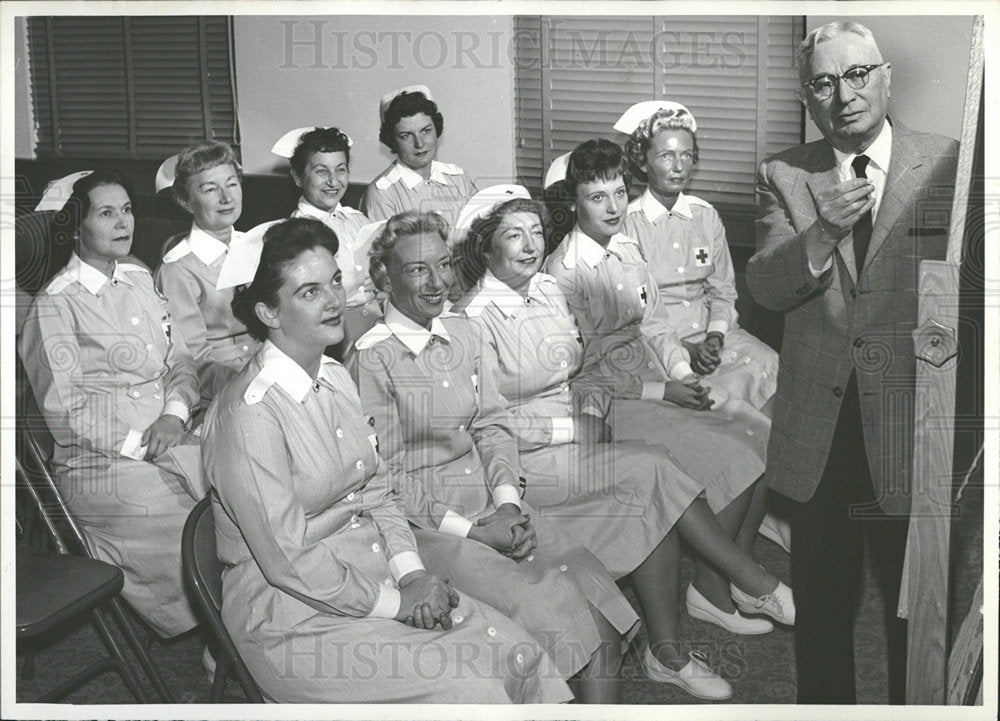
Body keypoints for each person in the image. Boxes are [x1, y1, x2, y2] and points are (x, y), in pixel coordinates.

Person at [201, 217, 570, 704]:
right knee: (474, 693)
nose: (334, 300)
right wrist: (397, 602)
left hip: (371, 576)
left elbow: (377, 490)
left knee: (521, 655)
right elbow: (288, 562)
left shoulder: (332, 376)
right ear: (269, 311)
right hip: (293, 619)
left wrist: (413, 572)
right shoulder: (248, 415)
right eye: (309, 292)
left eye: (334, 281)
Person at [455, 188, 796, 698]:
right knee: (651, 468)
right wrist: (573, 429)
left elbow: (581, 372)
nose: (529, 245)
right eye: (512, 235)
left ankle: (669, 651)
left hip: (576, 436)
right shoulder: (472, 320)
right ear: (485, 248)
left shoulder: (546, 289)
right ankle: (752, 586)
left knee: (651, 479)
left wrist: (590, 414)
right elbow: (485, 423)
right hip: (520, 462)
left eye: (534, 232)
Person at [349, 211, 650, 704]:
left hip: (493, 502)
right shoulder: (371, 358)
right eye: (417, 269)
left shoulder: (462, 332)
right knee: (546, 604)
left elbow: (492, 423)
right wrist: (473, 531)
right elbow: (386, 477)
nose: (437, 282)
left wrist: (508, 502)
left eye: (443, 266)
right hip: (431, 526)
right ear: (385, 277)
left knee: (588, 583)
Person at [746, 21, 959, 705]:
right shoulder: (785, 174)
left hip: (917, 422)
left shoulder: (952, 163)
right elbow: (766, 286)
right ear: (809, 98)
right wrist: (820, 234)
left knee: (917, 616)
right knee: (824, 620)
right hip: (822, 433)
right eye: (825, 82)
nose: (845, 94)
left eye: (859, 74)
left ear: (887, 76)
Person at [542, 140, 790, 637]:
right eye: (597, 197)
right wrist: (664, 394)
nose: (613, 207)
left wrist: (682, 374)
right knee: (725, 449)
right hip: (605, 401)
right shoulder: (562, 275)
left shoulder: (628, 248)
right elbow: (582, 371)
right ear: (574, 203)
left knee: (759, 433)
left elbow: (654, 324)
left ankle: (719, 580)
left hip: (654, 378)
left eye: (618, 193)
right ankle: (723, 587)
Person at [19, 170, 201, 638]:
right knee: (200, 523)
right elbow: (67, 415)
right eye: (106, 213)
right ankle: (222, 637)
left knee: (247, 490)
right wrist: (145, 443)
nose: (124, 222)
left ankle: (249, 625)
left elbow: (181, 360)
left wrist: (173, 415)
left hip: (173, 434)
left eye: (127, 209)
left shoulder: (140, 278)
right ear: (76, 227)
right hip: (99, 464)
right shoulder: (55, 305)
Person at [618, 100, 789, 553]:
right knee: (728, 403)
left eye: (687, 155)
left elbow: (724, 291)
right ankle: (728, 505)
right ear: (643, 159)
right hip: (660, 344)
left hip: (711, 332)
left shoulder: (705, 216)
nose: (678, 165)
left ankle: (762, 500)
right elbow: (635, 314)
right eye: (666, 154)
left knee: (773, 366)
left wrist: (715, 334)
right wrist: (686, 349)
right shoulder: (628, 225)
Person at [154, 140, 261, 407]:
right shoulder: (177, 270)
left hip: (269, 368)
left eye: (232, 184)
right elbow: (191, 361)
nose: (226, 198)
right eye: (210, 189)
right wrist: (254, 383)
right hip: (222, 390)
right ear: (186, 201)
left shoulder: (259, 246)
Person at [272, 126, 383, 351]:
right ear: (297, 176)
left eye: (340, 170)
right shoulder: (295, 235)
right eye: (322, 171)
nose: (333, 181)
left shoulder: (358, 221)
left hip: (379, 322)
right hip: (335, 337)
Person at [362, 86, 477, 229]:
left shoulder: (458, 178)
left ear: (437, 130)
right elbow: (387, 249)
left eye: (426, 131)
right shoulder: (382, 193)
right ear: (392, 140)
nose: (419, 143)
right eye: (406, 136)